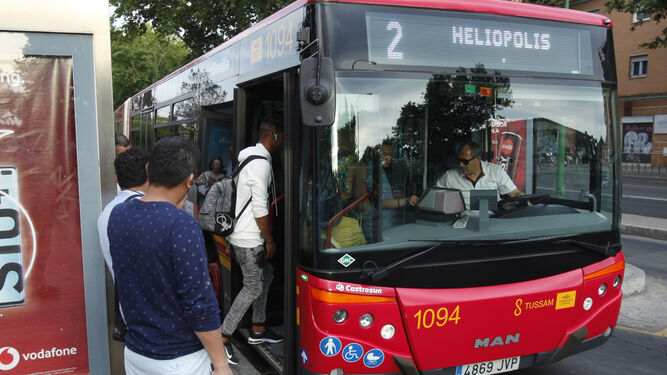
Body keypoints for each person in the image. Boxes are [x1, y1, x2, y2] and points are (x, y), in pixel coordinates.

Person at [107, 137, 232, 375]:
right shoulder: (181, 225)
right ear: (189, 180)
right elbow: (199, 304)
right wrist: (221, 364)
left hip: (136, 354)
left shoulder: (119, 214)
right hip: (179, 360)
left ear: (147, 169)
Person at [222, 114, 284, 363]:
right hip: (249, 239)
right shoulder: (261, 165)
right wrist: (269, 239)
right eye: (283, 136)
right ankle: (223, 337)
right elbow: (260, 208)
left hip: (240, 234)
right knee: (253, 287)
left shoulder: (248, 159)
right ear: (274, 135)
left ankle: (258, 329)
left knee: (266, 275)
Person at [97, 148, 149, 341]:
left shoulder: (108, 212)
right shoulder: (141, 213)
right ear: (149, 171)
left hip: (130, 310)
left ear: (117, 180)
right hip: (150, 318)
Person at [436, 142, 524, 208]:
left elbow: (515, 193)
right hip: (462, 221)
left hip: (493, 219)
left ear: (478, 158)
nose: (460, 165)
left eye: (465, 162)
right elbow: (435, 199)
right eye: (459, 161)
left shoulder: (495, 171)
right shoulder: (450, 177)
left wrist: (530, 208)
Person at [376, 140, 419, 229]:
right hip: (381, 226)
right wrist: (406, 201)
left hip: (391, 222)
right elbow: (378, 202)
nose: (388, 158)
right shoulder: (374, 173)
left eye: (390, 155)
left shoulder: (384, 171)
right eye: (385, 154)